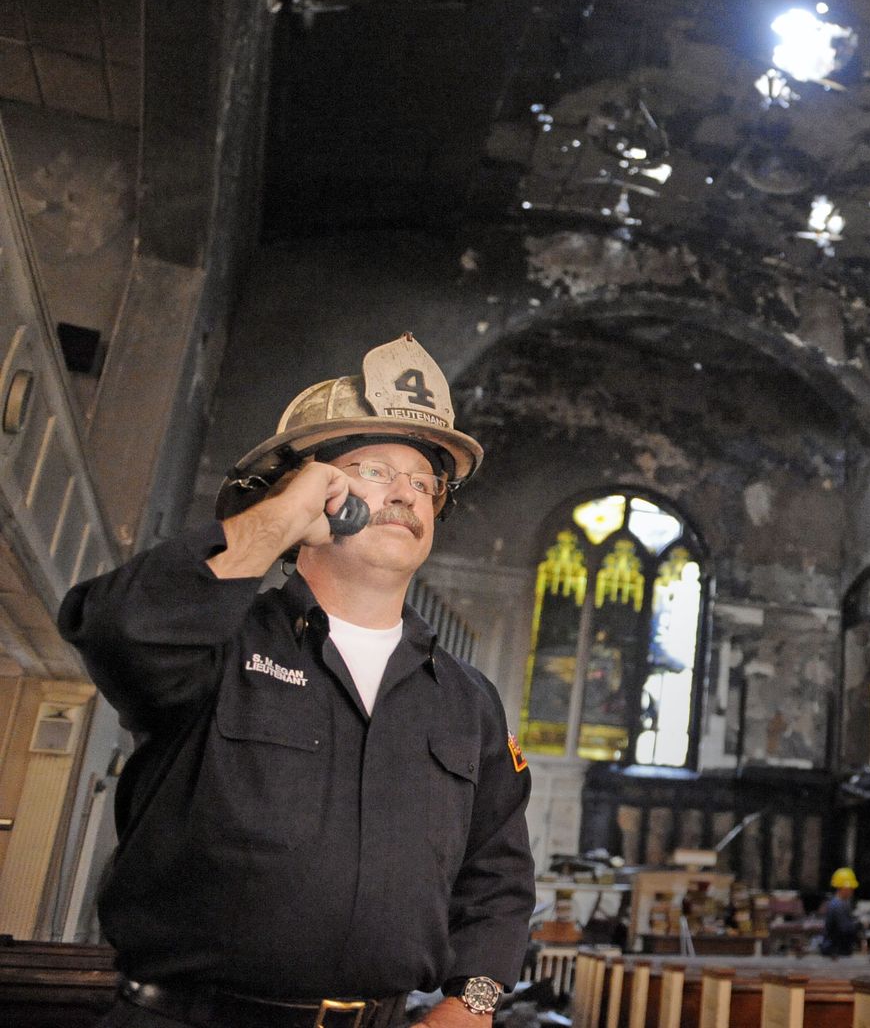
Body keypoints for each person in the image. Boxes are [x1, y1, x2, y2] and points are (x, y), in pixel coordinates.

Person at [59, 335, 534, 1028]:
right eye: (374, 469)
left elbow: (500, 877)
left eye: (426, 482)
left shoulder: (468, 701)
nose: (407, 492)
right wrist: (280, 517)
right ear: (314, 491)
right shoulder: (217, 645)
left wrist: (474, 1004)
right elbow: (118, 629)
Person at [822, 867, 864, 956]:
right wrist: (859, 924)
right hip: (836, 950)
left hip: (836, 949)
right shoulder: (838, 905)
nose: (852, 891)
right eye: (851, 888)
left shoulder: (840, 903)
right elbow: (845, 929)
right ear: (844, 887)